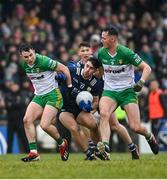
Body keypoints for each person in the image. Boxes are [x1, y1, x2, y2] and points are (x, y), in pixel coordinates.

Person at [97, 26, 159, 159]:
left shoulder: (126, 53)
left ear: (112, 39)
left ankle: (149, 136)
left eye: (103, 38)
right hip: (110, 91)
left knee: (135, 127)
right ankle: (105, 147)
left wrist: (141, 82)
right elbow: (101, 71)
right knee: (103, 114)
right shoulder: (101, 53)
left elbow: (147, 68)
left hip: (127, 92)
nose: (101, 40)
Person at [74, 42, 140, 160]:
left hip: (105, 95)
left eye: (87, 50)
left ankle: (132, 147)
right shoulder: (77, 67)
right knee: (83, 119)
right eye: (82, 51)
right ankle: (96, 149)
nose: (85, 53)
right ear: (78, 53)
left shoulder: (99, 61)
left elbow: (106, 73)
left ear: (91, 51)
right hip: (91, 98)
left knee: (115, 125)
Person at [18, 43, 72, 162]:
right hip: (39, 96)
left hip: (53, 95)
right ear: (22, 56)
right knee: (27, 120)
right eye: (26, 57)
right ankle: (34, 153)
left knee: (44, 125)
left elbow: (64, 68)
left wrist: (69, 87)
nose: (29, 59)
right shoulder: (24, 65)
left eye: (31, 55)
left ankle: (62, 143)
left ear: (34, 51)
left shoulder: (44, 61)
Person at [57, 56, 102, 160]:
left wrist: (89, 107)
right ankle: (89, 154)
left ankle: (99, 149)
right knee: (74, 128)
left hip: (79, 110)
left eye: (91, 68)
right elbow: (60, 70)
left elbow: (96, 102)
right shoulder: (73, 70)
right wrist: (60, 77)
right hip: (65, 109)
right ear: (84, 64)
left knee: (94, 125)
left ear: (95, 70)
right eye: (87, 66)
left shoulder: (95, 83)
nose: (87, 69)